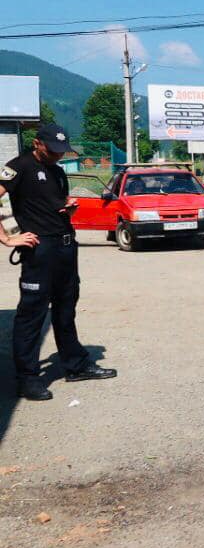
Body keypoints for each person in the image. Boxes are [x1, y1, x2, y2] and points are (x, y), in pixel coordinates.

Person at [0, 124, 116, 401]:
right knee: (32, 315)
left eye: (61, 152)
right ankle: (27, 378)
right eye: (52, 150)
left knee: (66, 310)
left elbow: (48, 202)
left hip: (65, 247)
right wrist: (6, 238)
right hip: (39, 250)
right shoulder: (18, 166)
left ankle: (75, 366)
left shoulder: (57, 170)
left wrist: (66, 208)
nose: (57, 156)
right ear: (37, 143)